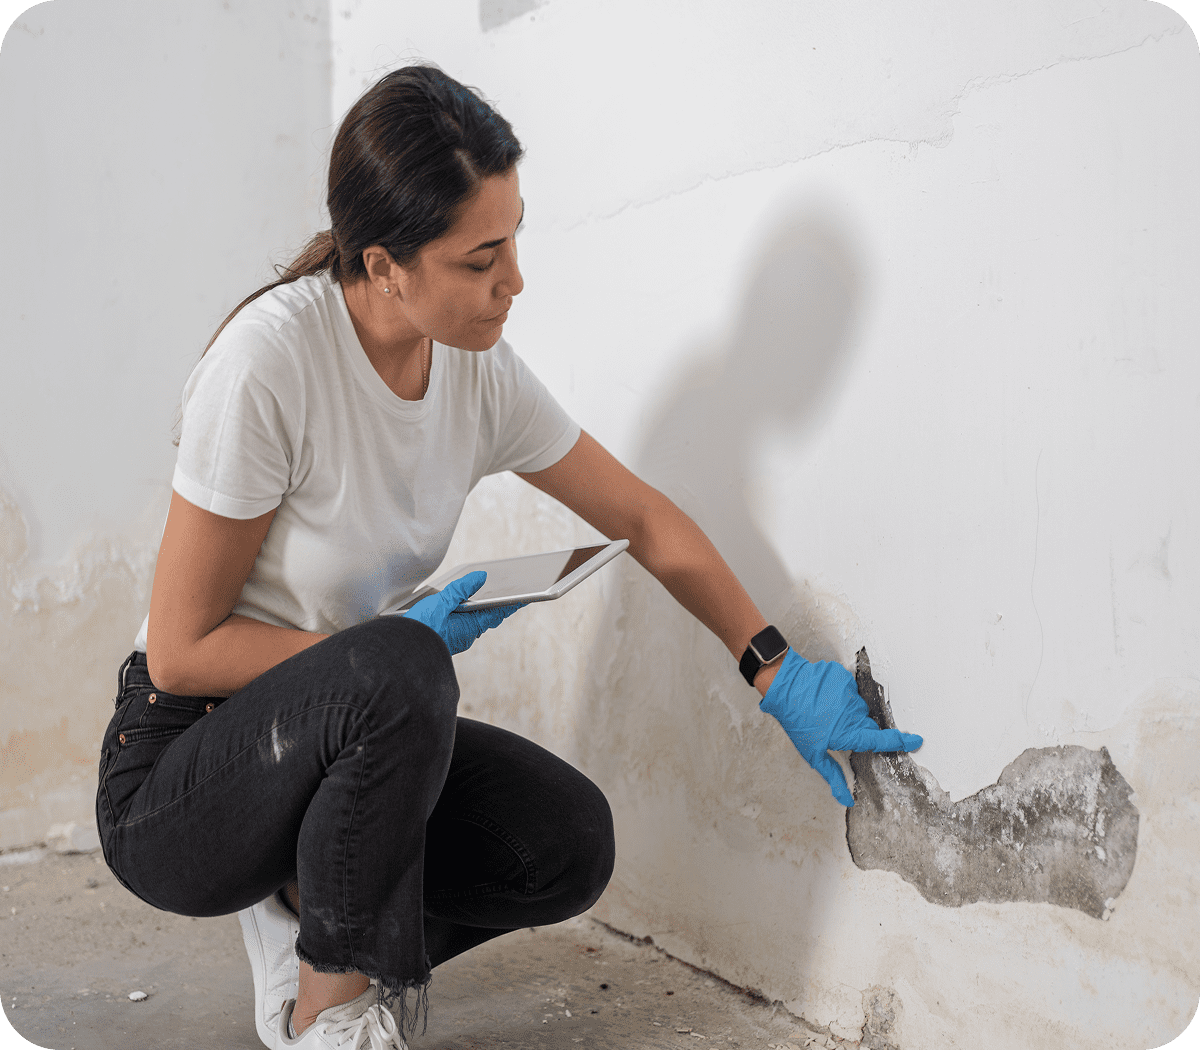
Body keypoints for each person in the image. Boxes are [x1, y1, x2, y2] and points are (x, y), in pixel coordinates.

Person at [94, 64, 923, 1050]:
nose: (514, 280)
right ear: (386, 266)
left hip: (344, 736)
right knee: (402, 664)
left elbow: (643, 518)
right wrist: (389, 650)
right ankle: (327, 1009)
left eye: (515, 236)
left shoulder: (477, 373)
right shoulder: (269, 364)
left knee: (566, 845)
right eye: (481, 257)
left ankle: (313, 908)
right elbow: (182, 651)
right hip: (183, 768)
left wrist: (772, 667)